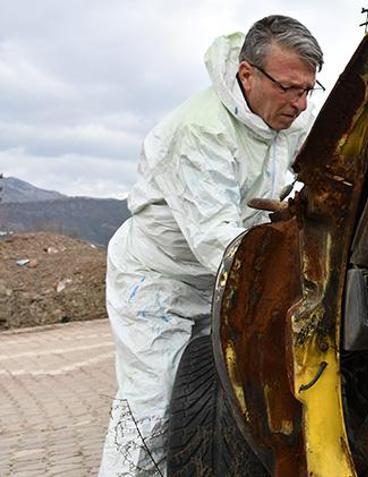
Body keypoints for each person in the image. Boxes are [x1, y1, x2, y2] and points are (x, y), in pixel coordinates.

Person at [98, 15, 323, 476]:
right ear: (247, 74)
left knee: (225, 406)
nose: (299, 104)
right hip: (158, 283)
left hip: (220, 282)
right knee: (153, 412)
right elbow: (217, 239)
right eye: (289, 89)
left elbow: (326, 164)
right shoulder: (201, 131)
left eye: (307, 91)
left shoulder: (287, 116)